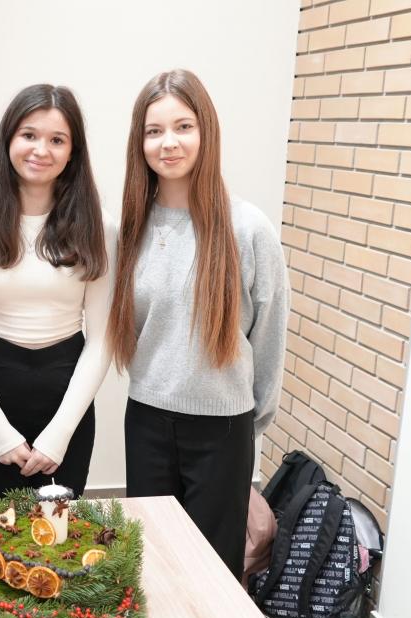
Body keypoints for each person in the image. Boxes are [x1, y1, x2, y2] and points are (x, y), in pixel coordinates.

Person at [108, 70, 288, 578]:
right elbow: (134, 327)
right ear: (139, 142)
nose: (168, 142)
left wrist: (247, 431)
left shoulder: (248, 229)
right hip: (146, 421)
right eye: (154, 131)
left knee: (212, 574)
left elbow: (269, 339)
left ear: (206, 131)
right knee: (151, 565)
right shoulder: (132, 227)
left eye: (183, 127)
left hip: (222, 429)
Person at [0, 84, 116, 502]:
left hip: (67, 401)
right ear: (8, 139)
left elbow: (102, 339)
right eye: (29, 135)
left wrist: (60, 434)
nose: (41, 150)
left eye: (57, 140)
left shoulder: (98, 226)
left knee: (62, 534)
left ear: (72, 152)